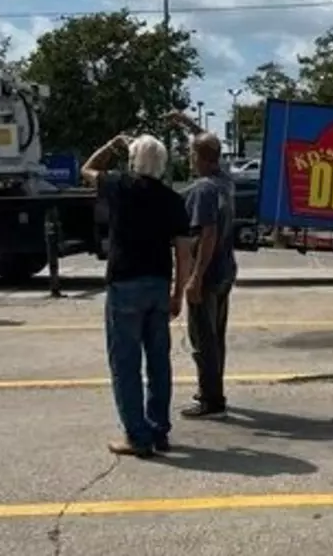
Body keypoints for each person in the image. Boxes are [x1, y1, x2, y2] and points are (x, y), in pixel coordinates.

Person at [81, 134, 192, 458]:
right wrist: (178, 295)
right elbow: (184, 254)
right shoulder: (173, 200)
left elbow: (88, 168)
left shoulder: (119, 186)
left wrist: (112, 144)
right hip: (158, 285)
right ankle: (158, 430)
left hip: (125, 283)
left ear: (133, 161)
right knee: (159, 362)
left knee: (126, 363)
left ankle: (137, 435)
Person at [182, 132, 237, 419]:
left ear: (199, 158)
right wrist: (191, 126)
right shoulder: (224, 182)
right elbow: (211, 146)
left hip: (208, 273)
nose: (189, 159)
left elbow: (208, 233)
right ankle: (214, 389)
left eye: (192, 154)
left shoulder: (203, 189)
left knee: (203, 339)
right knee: (216, 336)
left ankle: (210, 398)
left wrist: (195, 277)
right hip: (225, 271)